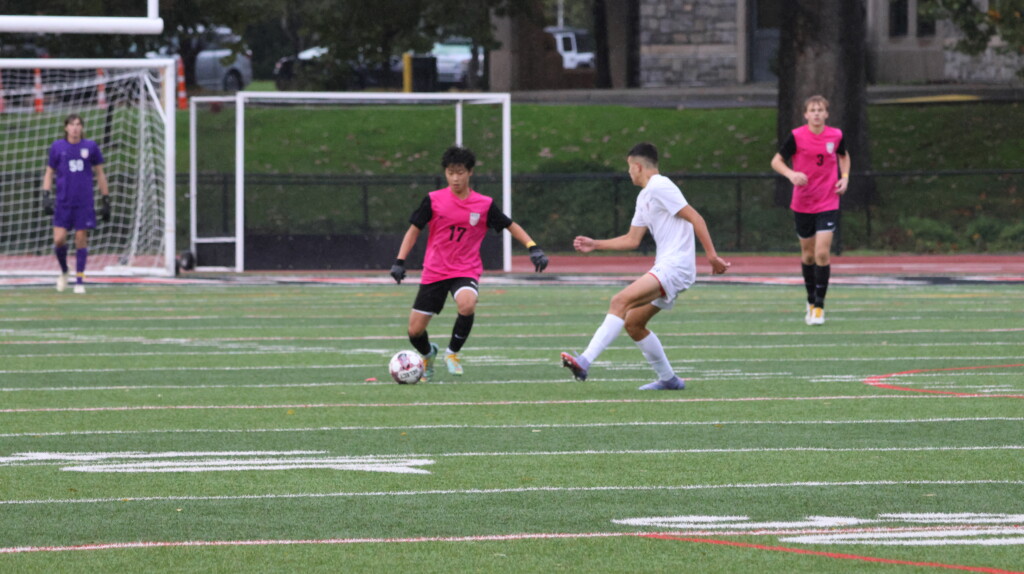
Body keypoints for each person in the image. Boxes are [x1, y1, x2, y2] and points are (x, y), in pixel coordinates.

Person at [560, 142, 730, 390]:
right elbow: (632, 239)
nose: (628, 172)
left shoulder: (661, 185)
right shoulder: (645, 196)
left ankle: (584, 361)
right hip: (668, 266)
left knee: (619, 301)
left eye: (629, 167)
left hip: (675, 267)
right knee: (634, 324)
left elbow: (695, 217)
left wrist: (712, 256)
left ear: (638, 166)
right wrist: (595, 244)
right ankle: (669, 379)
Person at [390, 145, 548, 382]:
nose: (455, 178)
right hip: (435, 270)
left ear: (470, 172)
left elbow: (510, 225)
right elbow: (414, 230)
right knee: (414, 331)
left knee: (467, 303)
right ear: (445, 173)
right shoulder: (433, 200)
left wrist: (533, 247)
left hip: (465, 269)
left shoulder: (483, 204)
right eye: (451, 173)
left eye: (460, 172)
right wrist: (399, 261)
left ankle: (452, 354)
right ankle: (427, 354)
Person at [770, 94, 851, 326]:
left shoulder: (835, 135)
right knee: (807, 254)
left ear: (826, 114)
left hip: (828, 200)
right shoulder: (796, 136)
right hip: (803, 202)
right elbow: (776, 161)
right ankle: (809, 298)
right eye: (812, 110)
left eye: (820, 110)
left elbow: (844, 156)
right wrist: (791, 174)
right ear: (806, 115)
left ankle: (819, 306)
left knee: (822, 253)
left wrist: (844, 178)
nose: (816, 113)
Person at [41, 113, 110, 294]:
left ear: (82, 127)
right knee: (59, 240)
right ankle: (64, 270)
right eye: (72, 124)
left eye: (78, 124)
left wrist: (106, 198)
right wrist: (46, 194)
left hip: (84, 202)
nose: (75, 128)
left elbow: (100, 173)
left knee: (81, 239)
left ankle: (79, 281)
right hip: (63, 202)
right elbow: (49, 172)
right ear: (66, 128)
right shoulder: (58, 147)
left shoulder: (90, 147)